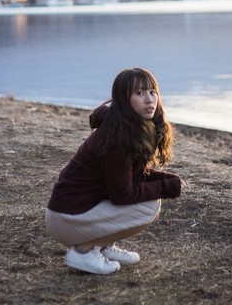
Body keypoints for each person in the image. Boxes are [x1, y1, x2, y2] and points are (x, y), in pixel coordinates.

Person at [45, 67, 183, 274]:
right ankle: (84, 251)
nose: (149, 99)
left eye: (152, 92)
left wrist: (169, 180)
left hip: (75, 212)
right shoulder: (115, 139)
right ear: (123, 100)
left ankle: (104, 247)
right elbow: (122, 194)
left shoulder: (129, 129)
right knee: (149, 207)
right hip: (67, 216)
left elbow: (129, 175)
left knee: (151, 199)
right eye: (139, 93)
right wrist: (165, 187)